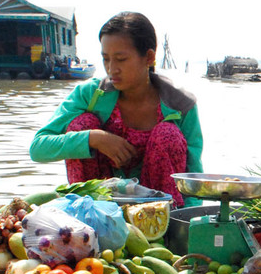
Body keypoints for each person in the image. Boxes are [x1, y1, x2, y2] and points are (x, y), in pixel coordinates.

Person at [29, 12, 203, 208]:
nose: (112, 69)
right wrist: (94, 138)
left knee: (168, 134)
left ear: (149, 57)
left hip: (158, 212)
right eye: (106, 59)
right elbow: (38, 148)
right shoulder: (90, 95)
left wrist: (190, 224)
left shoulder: (181, 105)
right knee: (83, 124)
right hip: (99, 206)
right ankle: (85, 210)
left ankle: (168, 222)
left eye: (121, 59)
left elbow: (193, 180)